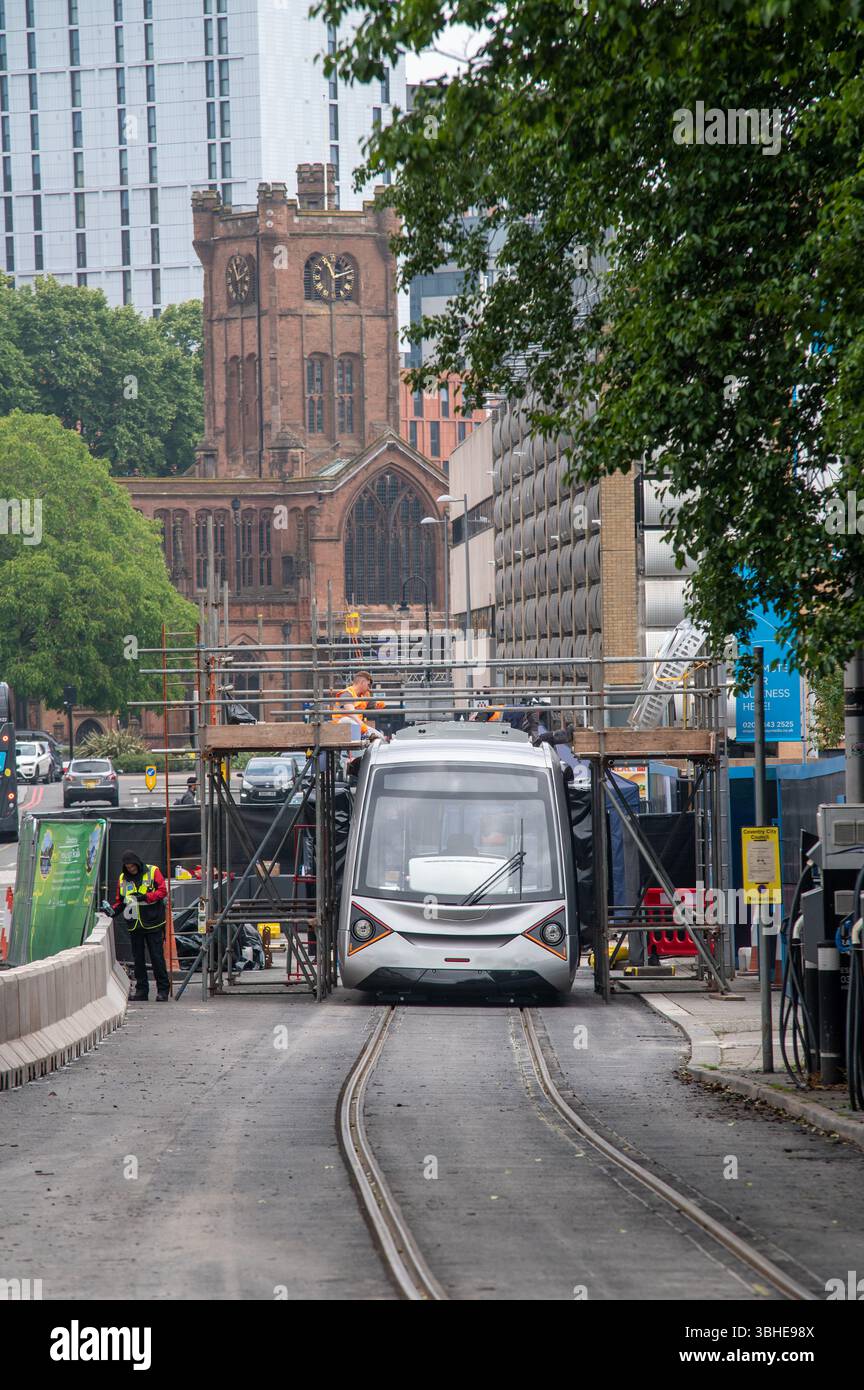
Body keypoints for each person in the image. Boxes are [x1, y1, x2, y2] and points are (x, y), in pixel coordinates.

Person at [108, 851, 170, 1002]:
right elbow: (121, 900)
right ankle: (141, 991)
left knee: (157, 957)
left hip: (153, 921)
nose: (131, 869)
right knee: (138, 959)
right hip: (134, 923)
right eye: (128, 867)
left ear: (137, 863)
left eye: (133, 866)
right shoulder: (123, 878)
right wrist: (112, 911)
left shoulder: (153, 871)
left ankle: (163, 990)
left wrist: (146, 897)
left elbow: (162, 891)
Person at [331, 670, 386, 739]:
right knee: (346, 720)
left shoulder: (363, 697)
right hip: (340, 726)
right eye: (368, 685)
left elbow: (374, 704)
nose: (369, 689)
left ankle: (368, 735)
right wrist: (362, 726)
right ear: (362, 682)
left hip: (357, 726)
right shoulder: (347, 693)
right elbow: (351, 713)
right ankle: (368, 734)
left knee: (380, 737)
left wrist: (380, 704)